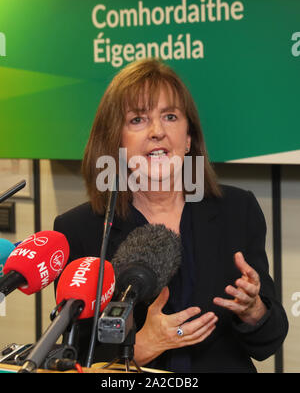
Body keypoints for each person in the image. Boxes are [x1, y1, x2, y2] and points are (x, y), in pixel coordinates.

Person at [54, 58, 288, 372]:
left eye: (170, 116)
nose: (157, 132)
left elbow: (269, 342)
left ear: (189, 137)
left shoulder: (237, 210)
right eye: (138, 119)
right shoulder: (78, 229)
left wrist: (254, 311)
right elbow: (74, 355)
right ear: (115, 140)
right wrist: (140, 347)